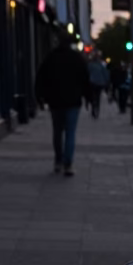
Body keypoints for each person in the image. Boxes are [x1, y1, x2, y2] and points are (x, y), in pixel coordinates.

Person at [35, 33, 90, 176]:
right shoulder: (77, 58)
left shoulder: (51, 57)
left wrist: (40, 97)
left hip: (55, 101)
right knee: (70, 132)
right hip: (73, 101)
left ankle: (58, 161)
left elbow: (41, 78)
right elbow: (85, 79)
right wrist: (87, 97)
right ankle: (68, 164)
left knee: (57, 132)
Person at [87, 54, 109, 118]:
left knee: (93, 96)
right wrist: (106, 81)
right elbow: (105, 74)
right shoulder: (100, 65)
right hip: (99, 83)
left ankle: (94, 107)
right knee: (98, 97)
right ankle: (96, 108)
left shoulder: (90, 65)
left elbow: (87, 73)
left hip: (92, 82)